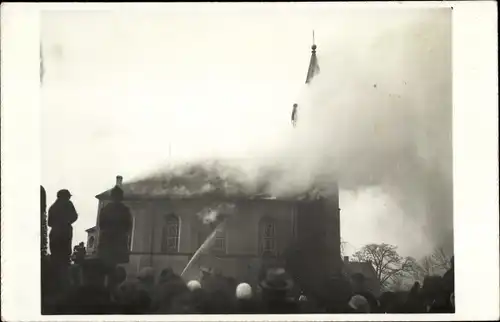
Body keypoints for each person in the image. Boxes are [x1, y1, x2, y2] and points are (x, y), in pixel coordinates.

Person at [97, 185, 133, 274]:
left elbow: (101, 225)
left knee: (106, 268)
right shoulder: (124, 209)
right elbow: (128, 225)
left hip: (107, 242)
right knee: (114, 269)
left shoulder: (105, 209)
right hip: (118, 242)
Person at [48, 189, 78, 267]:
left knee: (55, 257)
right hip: (65, 232)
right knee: (65, 257)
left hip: (54, 233)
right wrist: (66, 222)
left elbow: (49, 223)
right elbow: (75, 216)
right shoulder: (68, 204)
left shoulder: (52, 207)